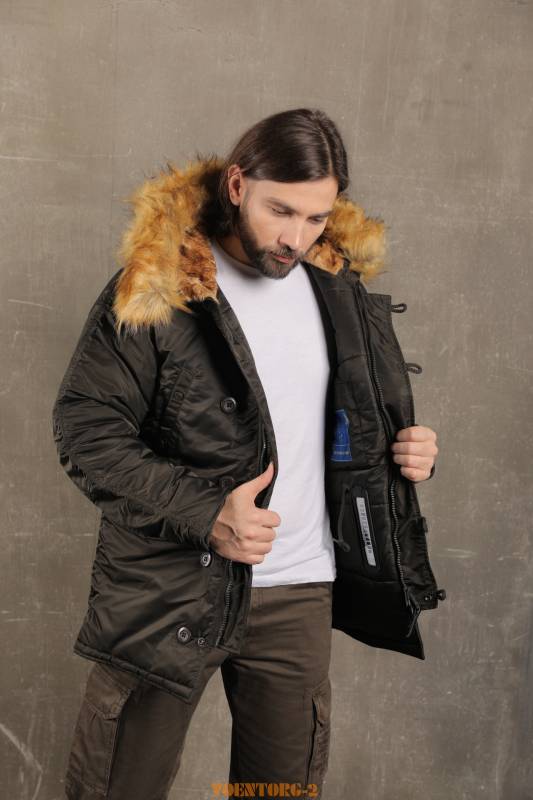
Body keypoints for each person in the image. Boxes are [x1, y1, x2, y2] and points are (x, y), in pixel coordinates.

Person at [52, 107, 443, 800]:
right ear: (237, 185)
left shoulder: (338, 289)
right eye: (279, 211)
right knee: (117, 788)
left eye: (317, 218)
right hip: (171, 588)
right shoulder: (161, 283)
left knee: (278, 793)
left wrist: (405, 452)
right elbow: (86, 429)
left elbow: (337, 426)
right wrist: (207, 513)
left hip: (299, 590)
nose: (296, 237)